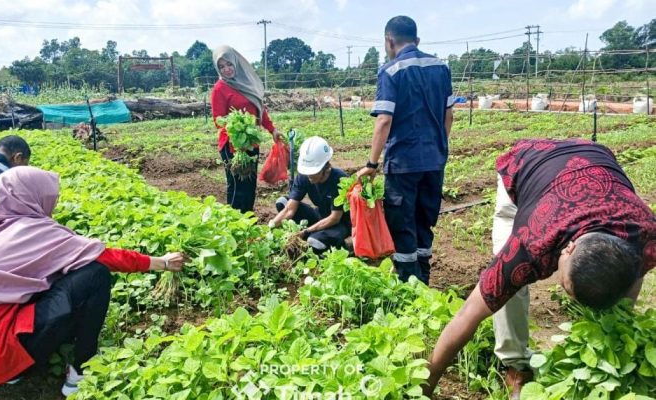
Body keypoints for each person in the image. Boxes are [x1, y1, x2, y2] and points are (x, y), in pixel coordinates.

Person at [423, 139, 655, 398]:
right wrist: (425, 385)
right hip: (526, 164)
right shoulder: (529, 245)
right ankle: (516, 365)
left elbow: (635, 275)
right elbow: (467, 315)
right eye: (567, 287)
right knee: (508, 290)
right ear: (568, 249)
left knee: (616, 294)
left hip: (594, 156)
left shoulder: (646, 235)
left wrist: (618, 330)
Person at [0, 166, 186, 396]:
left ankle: (17, 373)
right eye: (47, 198)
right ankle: (80, 371)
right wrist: (162, 262)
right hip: (0, 352)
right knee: (94, 275)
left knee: (61, 279)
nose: (52, 205)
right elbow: (103, 257)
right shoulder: (29, 231)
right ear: (29, 197)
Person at [357, 16, 455, 285]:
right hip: (434, 161)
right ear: (417, 40)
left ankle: (408, 286)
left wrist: (372, 163)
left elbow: (384, 120)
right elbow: (449, 116)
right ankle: (423, 278)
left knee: (402, 224)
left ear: (389, 40)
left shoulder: (390, 71)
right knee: (425, 220)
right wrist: (439, 146)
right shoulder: (440, 67)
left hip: (403, 163)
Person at [211, 45, 283, 213]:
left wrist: (272, 129)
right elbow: (218, 120)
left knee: (250, 185)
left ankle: (249, 220)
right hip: (232, 146)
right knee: (237, 186)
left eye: (229, 64)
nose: (226, 69)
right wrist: (238, 128)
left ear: (236, 62)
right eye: (221, 67)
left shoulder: (247, 83)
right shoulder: (219, 89)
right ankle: (235, 222)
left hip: (251, 143)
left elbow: (259, 109)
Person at [268, 136, 351, 254]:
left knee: (313, 241)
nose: (309, 177)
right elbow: (289, 210)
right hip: (320, 215)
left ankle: (342, 245)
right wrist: (270, 228)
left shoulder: (339, 180)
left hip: (339, 223)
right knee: (282, 202)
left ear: (326, 167)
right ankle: (317, 233)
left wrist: (306, 232)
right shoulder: (304, 175)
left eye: (313, 172)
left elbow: (334, 218)